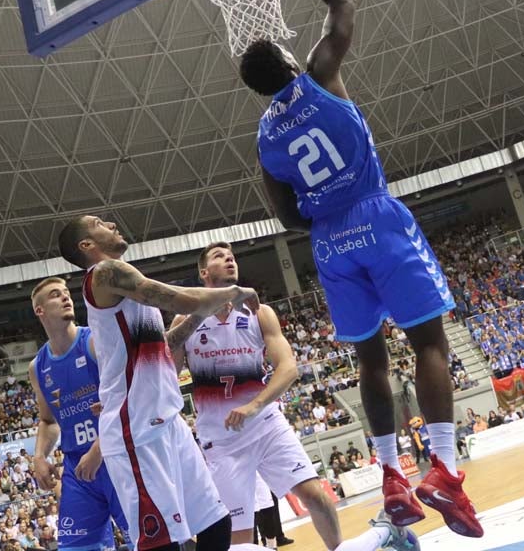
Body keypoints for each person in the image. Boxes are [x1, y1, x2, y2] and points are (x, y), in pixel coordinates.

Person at [238, 0, 480, 537]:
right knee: (429, 342)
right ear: (291, 64)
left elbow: (287, 217)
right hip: (375, 214)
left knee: (370, 358)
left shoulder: (265, 141)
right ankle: (445, 470)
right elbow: (344, 6)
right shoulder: (320, 75)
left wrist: (324, 214)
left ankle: (393, 476)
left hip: (327, 241)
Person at [169, 241, 414, 551]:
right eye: (219, 256)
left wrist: (254, 406)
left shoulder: (259, 313)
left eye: (232, 255)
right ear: (204, 272)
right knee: (240, 541)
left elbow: (288, 368)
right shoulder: (185, 321)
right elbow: (165, 377)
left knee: (317, 497)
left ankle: (344, 545)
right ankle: (382, 533)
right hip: (221, 440)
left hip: (266, 426)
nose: (229, 259)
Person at [57, 214, 263, 551]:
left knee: (216, 524)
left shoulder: (122, 285)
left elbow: (162, 345)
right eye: (99, 223)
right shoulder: (106, 273)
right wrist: (234, 291)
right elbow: (175, 298)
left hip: (167, 421)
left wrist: (201, 314)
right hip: (137, 430)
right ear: (86, 245)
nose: (110, 222)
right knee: (161, 543)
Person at [27, 276, 129, 551]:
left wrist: (99, 448)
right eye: (55, 295)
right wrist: (39, 456)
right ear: (40, 311)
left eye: (66, 293)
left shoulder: (95, 342)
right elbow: (49, 420)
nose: (66, 297)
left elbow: (128, 398)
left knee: (146, 542)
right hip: (78, 468)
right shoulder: (38, 367)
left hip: (118, 457)